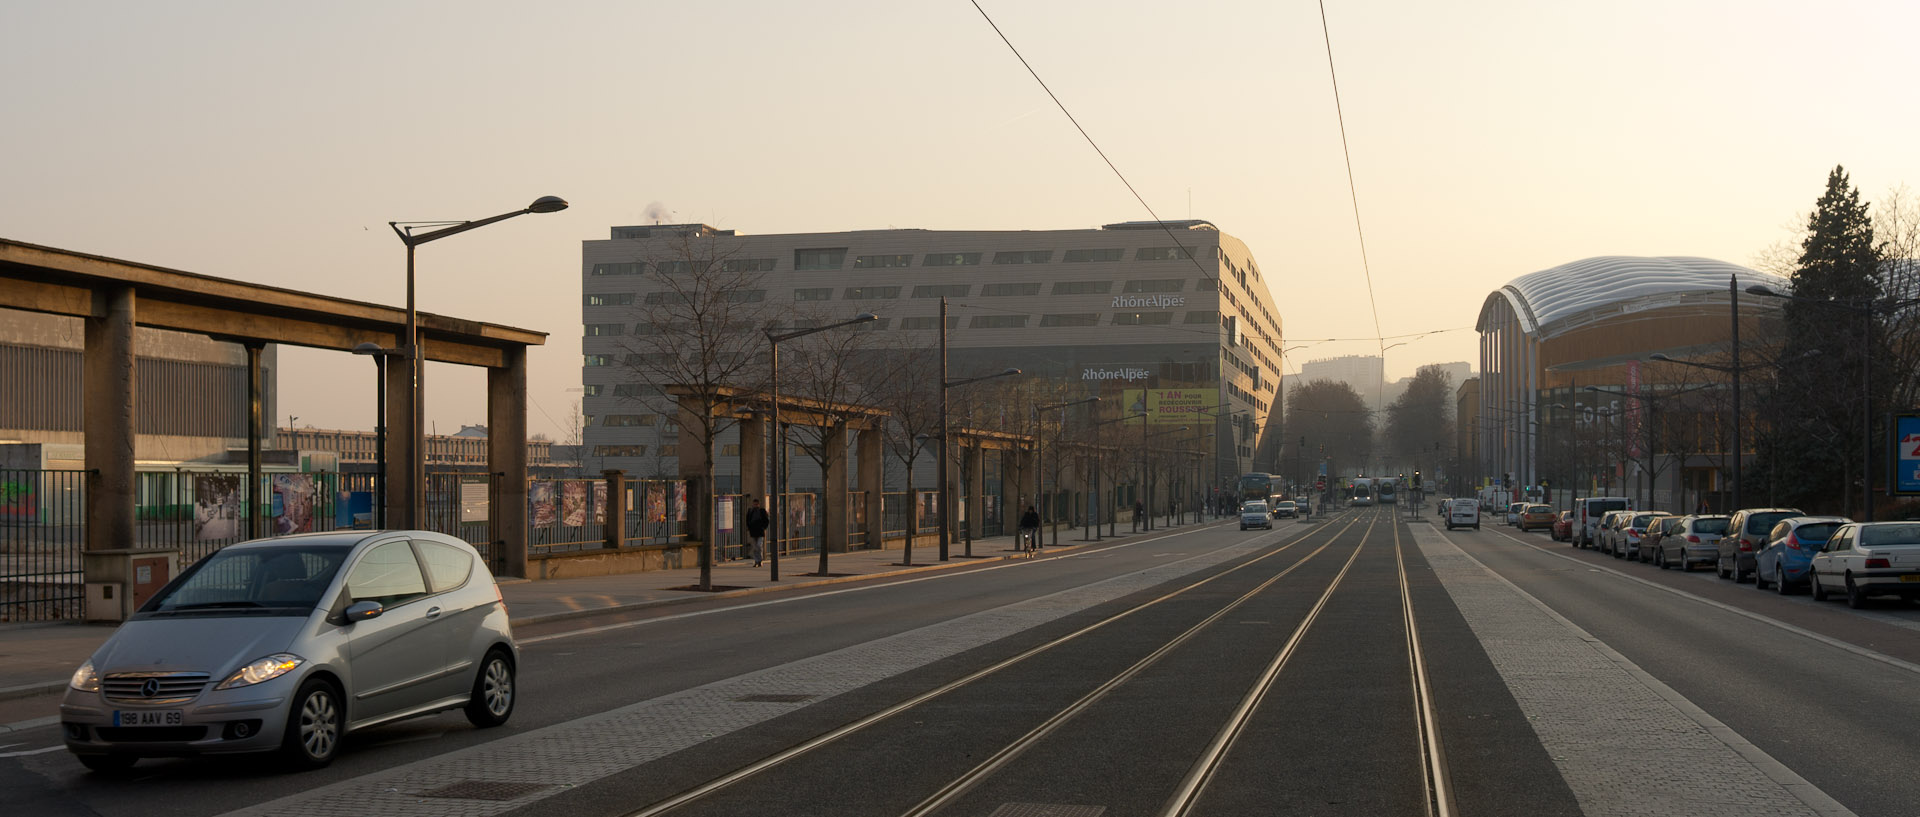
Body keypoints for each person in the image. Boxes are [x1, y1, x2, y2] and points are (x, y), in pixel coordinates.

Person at [743, 497, 770, 567]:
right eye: (754, 504)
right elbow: (748, 520)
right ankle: (756, 561)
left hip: (760, 531)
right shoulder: (750, 511)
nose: (755, 505)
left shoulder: (762, 511)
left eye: (756, 504)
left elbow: (766, 520)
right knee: (755, 547)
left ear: (758, 504)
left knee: (759, 546)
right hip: (753, 532)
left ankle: (760, 560)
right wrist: (749, 528)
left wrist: (764, 527)